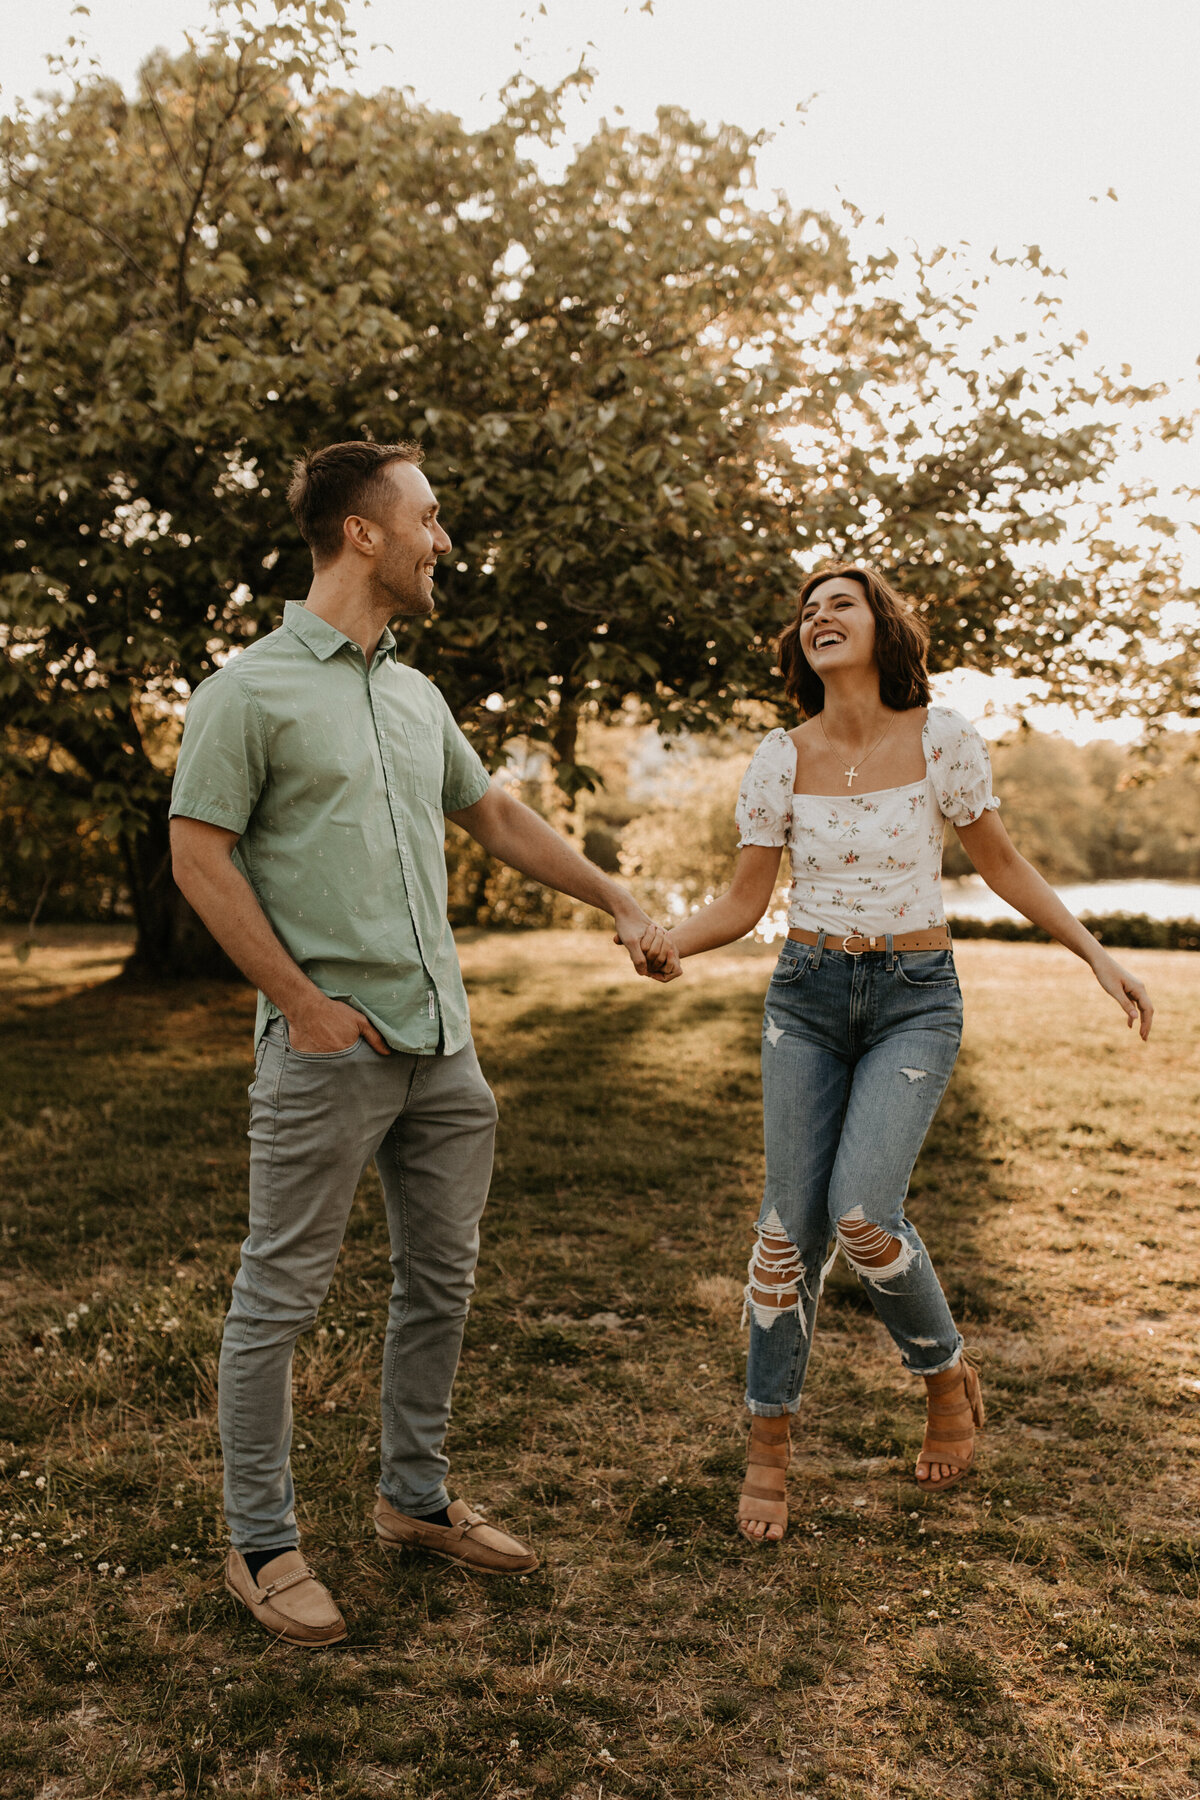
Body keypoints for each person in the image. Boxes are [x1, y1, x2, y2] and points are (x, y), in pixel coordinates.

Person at [170, 439, 680, 1645]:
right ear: (363, 532)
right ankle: (261, 1541)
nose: (443, 541)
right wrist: (298, 1002)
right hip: (329, 1048)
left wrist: (615, 899)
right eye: (431, 520)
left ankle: (414, 1499)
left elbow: (493, 813)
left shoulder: (412, 690)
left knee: (440, 1282)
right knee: (279, 1297)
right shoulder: (247, 690)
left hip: (444, 1050)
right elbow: (199, 856)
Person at [658, 565, 1152, 1544]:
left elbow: (1002, 864)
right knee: (784, 1232)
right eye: (808, 611)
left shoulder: (942, 739)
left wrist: (1096, 954)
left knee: (864, 1216)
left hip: (913, 1002)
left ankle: (943, 1379)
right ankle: (768, 1447)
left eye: (841, 603)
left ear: (883, 626)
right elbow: (744, 903)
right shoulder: (780, 755)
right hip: (806, 997)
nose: (819, 617)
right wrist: (668, 940)